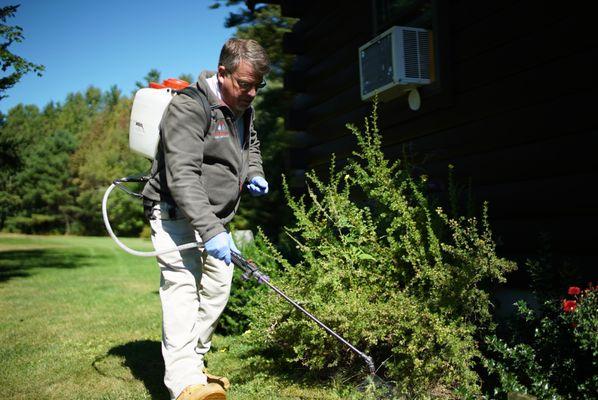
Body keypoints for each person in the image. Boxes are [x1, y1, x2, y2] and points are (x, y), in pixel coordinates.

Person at [141, 38, 270, 400]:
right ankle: (184, 384)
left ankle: (194, 366)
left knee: (217, 289)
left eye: (258, 85)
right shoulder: (189, 107)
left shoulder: (243, 105)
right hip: (174, 213)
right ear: (222, 72)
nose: (252, 93)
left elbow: (251, 143)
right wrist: (212, 230)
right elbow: (182, 174)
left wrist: (254, 172)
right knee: (182, 289)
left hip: (214, 219)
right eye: (245, 84)